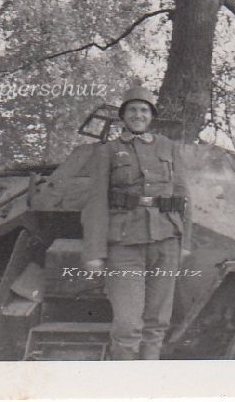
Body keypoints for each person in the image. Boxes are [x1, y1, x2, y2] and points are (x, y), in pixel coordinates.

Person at [81, 85, 190, 360]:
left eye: (144, 110)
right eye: (132, 110)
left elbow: (183, 196)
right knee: (128, 324)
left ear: (151, 115)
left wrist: (184, 243)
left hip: (166, 241)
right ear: (123, 116)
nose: (138, 115)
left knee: (157, 323)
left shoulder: (168, 147)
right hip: (125, 245)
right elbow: (95, 203)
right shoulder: (108, 151)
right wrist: (95, 253)